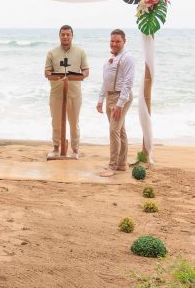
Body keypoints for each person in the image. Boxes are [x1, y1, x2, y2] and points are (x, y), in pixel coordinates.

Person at [44, 25, 89, 159]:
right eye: (63, 34)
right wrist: (53, 75)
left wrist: (81, 76)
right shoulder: (52, 53)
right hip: (57, 94)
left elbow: (86, 71)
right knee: (56, 122)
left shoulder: (80, 52)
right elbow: (46, 72)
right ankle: (56, 148)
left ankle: (75, 150)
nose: (65, 37)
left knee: (74, 123)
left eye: (68, 34)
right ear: (59, 36)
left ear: (72, 36)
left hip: (74, 94)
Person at [97, 29, 136, 177]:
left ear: (124, 41)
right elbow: (105, 81)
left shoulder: (128, 58)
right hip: (110, 97)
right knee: (120, 131)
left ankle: (112, 167)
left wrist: (119, 104)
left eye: (117, 41)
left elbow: (128, 82)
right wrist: (101, 99)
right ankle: (121, 164)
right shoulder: (110, 58)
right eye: (112, 41)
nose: (114, 44)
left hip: (121, 98)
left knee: (114, 131)